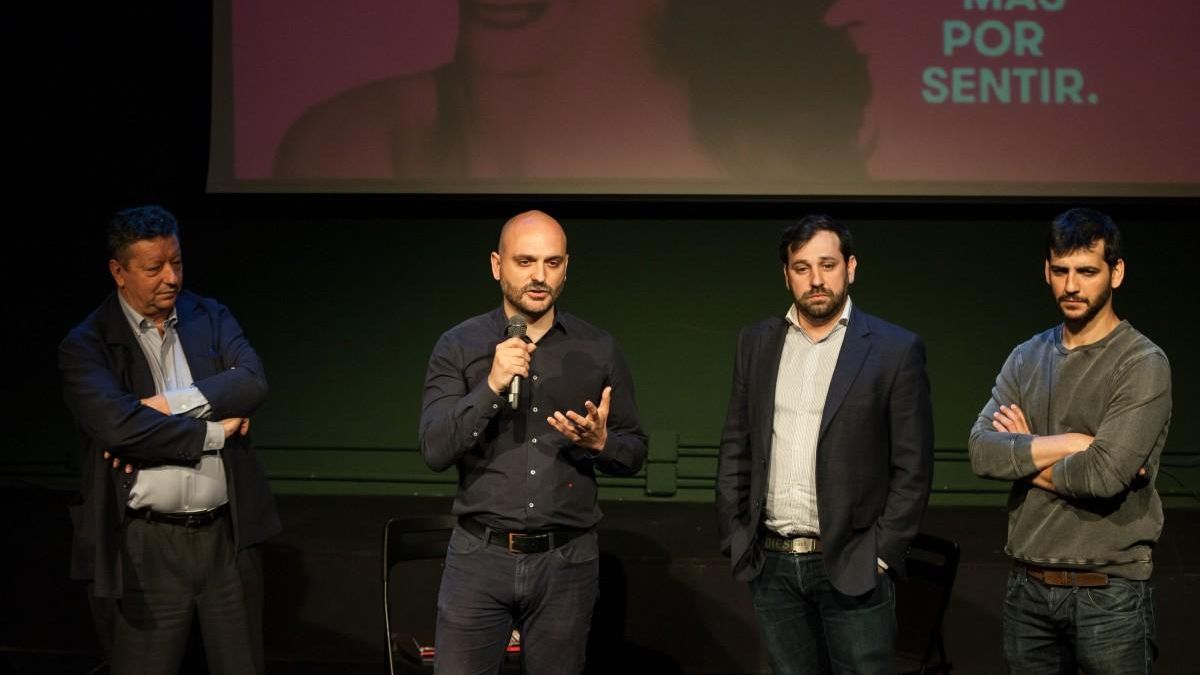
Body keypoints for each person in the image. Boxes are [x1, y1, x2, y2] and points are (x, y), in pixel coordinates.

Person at [419, 210, 647, 674]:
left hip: (566, 561)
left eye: (552, 262)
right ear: (497, 265)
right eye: (525, 261)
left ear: (566, 267)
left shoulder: (599, 349)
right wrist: (491, 385)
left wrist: (600, 443)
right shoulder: (459, 345)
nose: (539, 276)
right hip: (479, 558)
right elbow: (435, 450)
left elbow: (634, 452)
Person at [58, 205, 278, 675]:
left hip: (226, 540)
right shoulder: (87, 343)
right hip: (145, 546)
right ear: (119, 271)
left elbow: (252, 382)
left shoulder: (209, 315)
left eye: (176, 262)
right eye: (154, 267)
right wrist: (213, 431)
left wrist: (164, 405)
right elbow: (119, 428)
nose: (171, 278)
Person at [716, 214, 934, 675]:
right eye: (802, 267)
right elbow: (737, 444)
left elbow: (913, 467)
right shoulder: (756, 342)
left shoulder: (894, 349)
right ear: (787, 274)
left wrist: (880, 554)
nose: (816, 279)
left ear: (850, 268)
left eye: (828, 265)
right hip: (772, 562)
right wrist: (736, 534)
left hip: (853, 564)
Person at [968, 208, 1170, 674]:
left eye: (1087, 272)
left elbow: (1102, 477)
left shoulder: (1142, 363)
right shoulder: (1027, 357)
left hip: (1109, 593)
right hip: (1028, 587)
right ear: (1047, 271)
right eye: (1060, 271)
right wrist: (1072, 442)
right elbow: (981, 451)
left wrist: (1022, 450)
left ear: (1116, 273)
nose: (1072, 286)